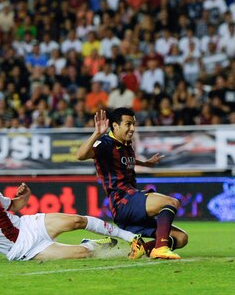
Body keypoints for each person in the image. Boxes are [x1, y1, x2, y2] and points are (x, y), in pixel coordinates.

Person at [0, 162, 143, 264]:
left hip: (29, 225)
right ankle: (93, 244)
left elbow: (13, 207)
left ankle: (131, 237)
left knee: (77, 220)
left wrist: (26, 195)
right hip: (23, 249)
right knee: (83, 254)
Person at [76, 108, 188, 259]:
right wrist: (96, 134)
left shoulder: (126, 145)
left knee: (181, 238)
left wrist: (146, 163)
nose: (132, 128)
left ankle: (142, 248)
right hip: (122, 201)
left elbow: (125, 161)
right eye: (128, 124)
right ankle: (160, 249)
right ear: (115, 126)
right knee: (171, 202)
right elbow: (80, 155)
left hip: (131, 205)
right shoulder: (105, 144)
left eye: (134, 124)